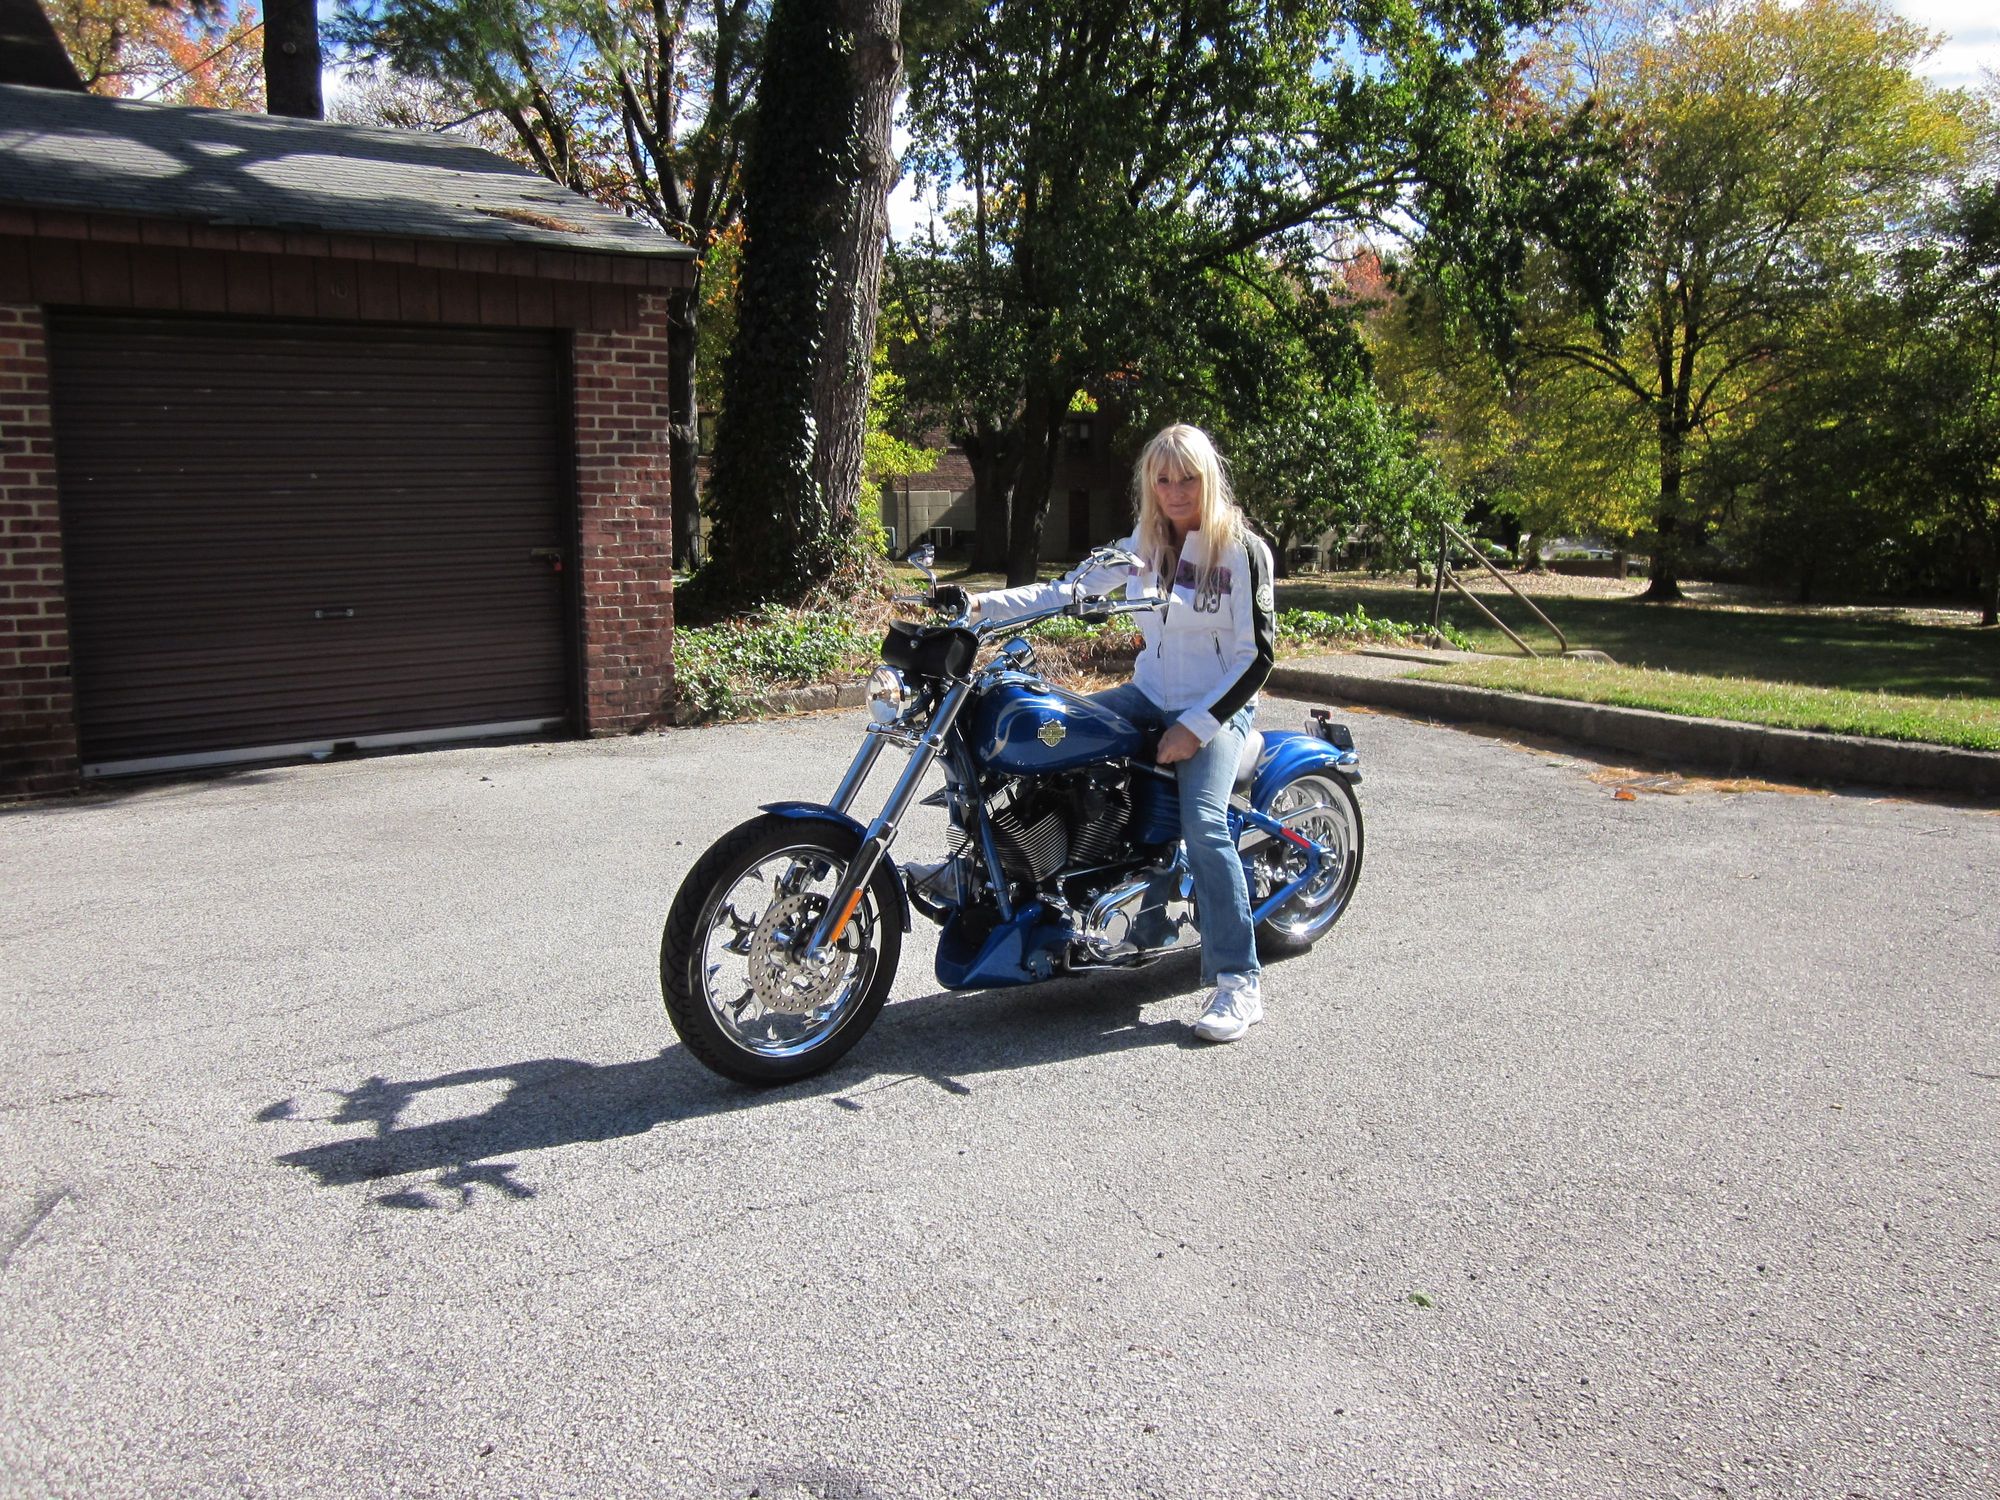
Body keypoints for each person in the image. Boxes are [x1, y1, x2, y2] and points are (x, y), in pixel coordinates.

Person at [958, 423, 1277, 1042]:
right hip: (1148, 694)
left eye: (1187, 479)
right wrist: (979, 608)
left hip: (1217, 706)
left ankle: (1239, 979)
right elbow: (1067, 592)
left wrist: (1197, 728)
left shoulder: (1241, 550)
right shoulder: (1142, 545)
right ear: (1150, 485)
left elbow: (1258, 656)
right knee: (1056, 742)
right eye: (1164, 480)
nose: (1175, 491)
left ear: (1208, 480)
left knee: (1204, 825)